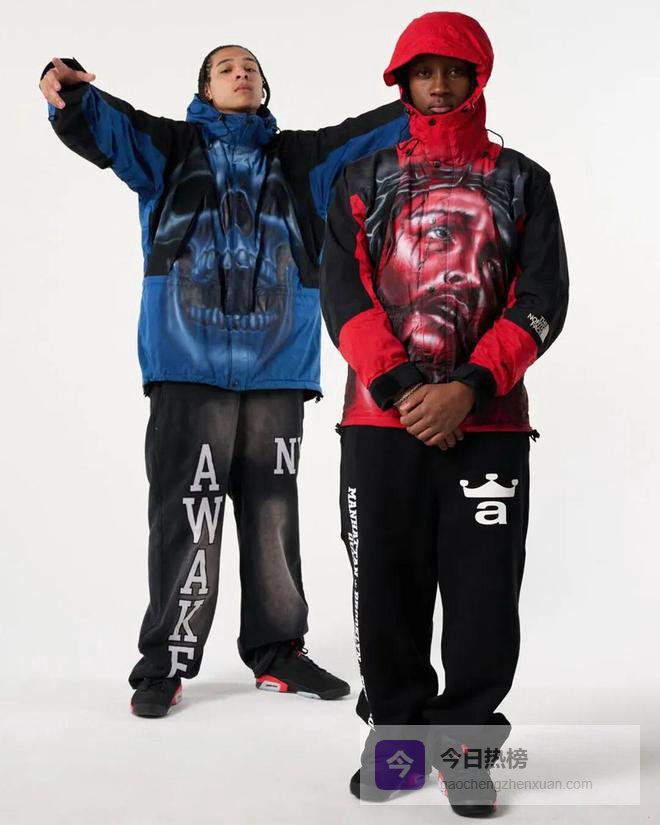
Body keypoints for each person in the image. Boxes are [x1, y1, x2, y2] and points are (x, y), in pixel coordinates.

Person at [38, 45, 409, 718]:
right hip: (187, 364)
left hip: (278, 368)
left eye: (251, 68)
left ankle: (278, 652)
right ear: (205, 88)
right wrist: (66, 86)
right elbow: (104, 125)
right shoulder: (170, 149)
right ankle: (166, 663)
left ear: (264, 86)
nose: (241, 73)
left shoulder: (303, 159)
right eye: (225, 68)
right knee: (188, 511)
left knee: (273, 513)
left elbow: (373, 133)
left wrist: (429, 91)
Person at [320, 11, 568, 816]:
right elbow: (343, 293)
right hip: (377, 425)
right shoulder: (360, 180)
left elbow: (543, 297)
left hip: (488, 427)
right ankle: (397, 745)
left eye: (453, 70)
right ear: (401, 82)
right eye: (422, 71)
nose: (438, 84)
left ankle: (467, 752)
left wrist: (469, 386)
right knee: (384, 596)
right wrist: (401, 388)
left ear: (477, 78)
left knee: (483, 598)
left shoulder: (524, 181)